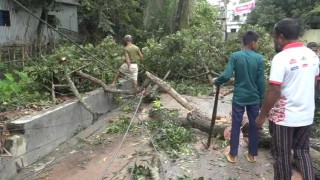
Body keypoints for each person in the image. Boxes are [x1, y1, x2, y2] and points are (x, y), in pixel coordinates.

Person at [256, 18, 319, 180]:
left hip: (284, 118)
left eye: (275, 37)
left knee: (282, 155)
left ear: (281, 37)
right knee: (302, 151)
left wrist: (262, 116)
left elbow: (274, 90)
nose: (275, 41)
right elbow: (315, 83)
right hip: (306, 115)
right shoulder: (312, 55)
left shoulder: (281, 58)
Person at [214, 30, 265, 163]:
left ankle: (233, 155)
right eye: (257, 42)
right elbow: (261, 82)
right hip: (254, 98)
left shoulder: (235, 56)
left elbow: (226, 76)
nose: (257, 45)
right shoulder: (259, 58)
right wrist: (262, 100)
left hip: (239, 98)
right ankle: (252, 155)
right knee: (254, 126)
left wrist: (216, 81)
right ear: (253, 43)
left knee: (236, 125)